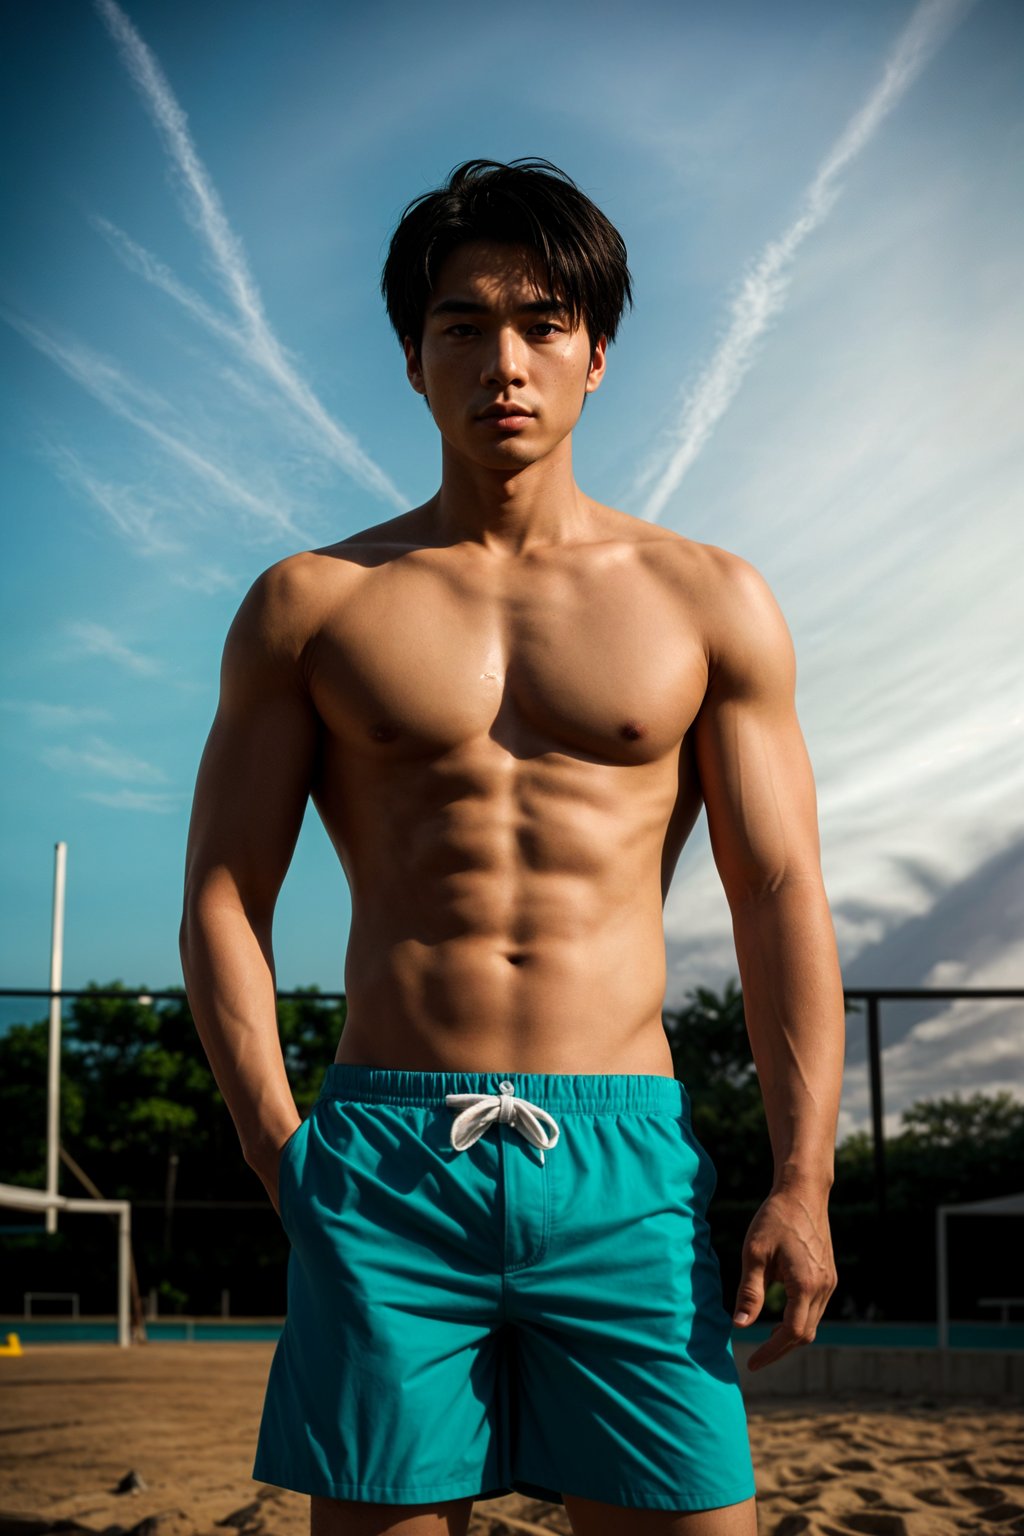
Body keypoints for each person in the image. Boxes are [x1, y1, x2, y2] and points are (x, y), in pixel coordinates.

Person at [179, 158, 844, 1536]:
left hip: (625, 1162)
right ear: (412, 358)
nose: (505, 359)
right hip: (381, 1152)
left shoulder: (708, 599)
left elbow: (779, 894)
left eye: (542, 322)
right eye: (463, 324)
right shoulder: (311, 606)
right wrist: (280, 1149)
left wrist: (803, 1174)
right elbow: (225, 896)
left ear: (597, 353)